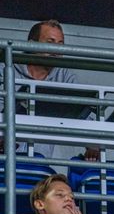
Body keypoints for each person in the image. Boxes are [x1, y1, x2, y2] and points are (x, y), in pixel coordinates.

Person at [0, 19, 99, 160]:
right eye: (50, 42)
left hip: (39, 164)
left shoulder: (64, 76)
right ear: (31, 45)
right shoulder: (5, 71)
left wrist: (93, 147)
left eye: (60, 45)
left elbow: (83, 113)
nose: (56, 50)